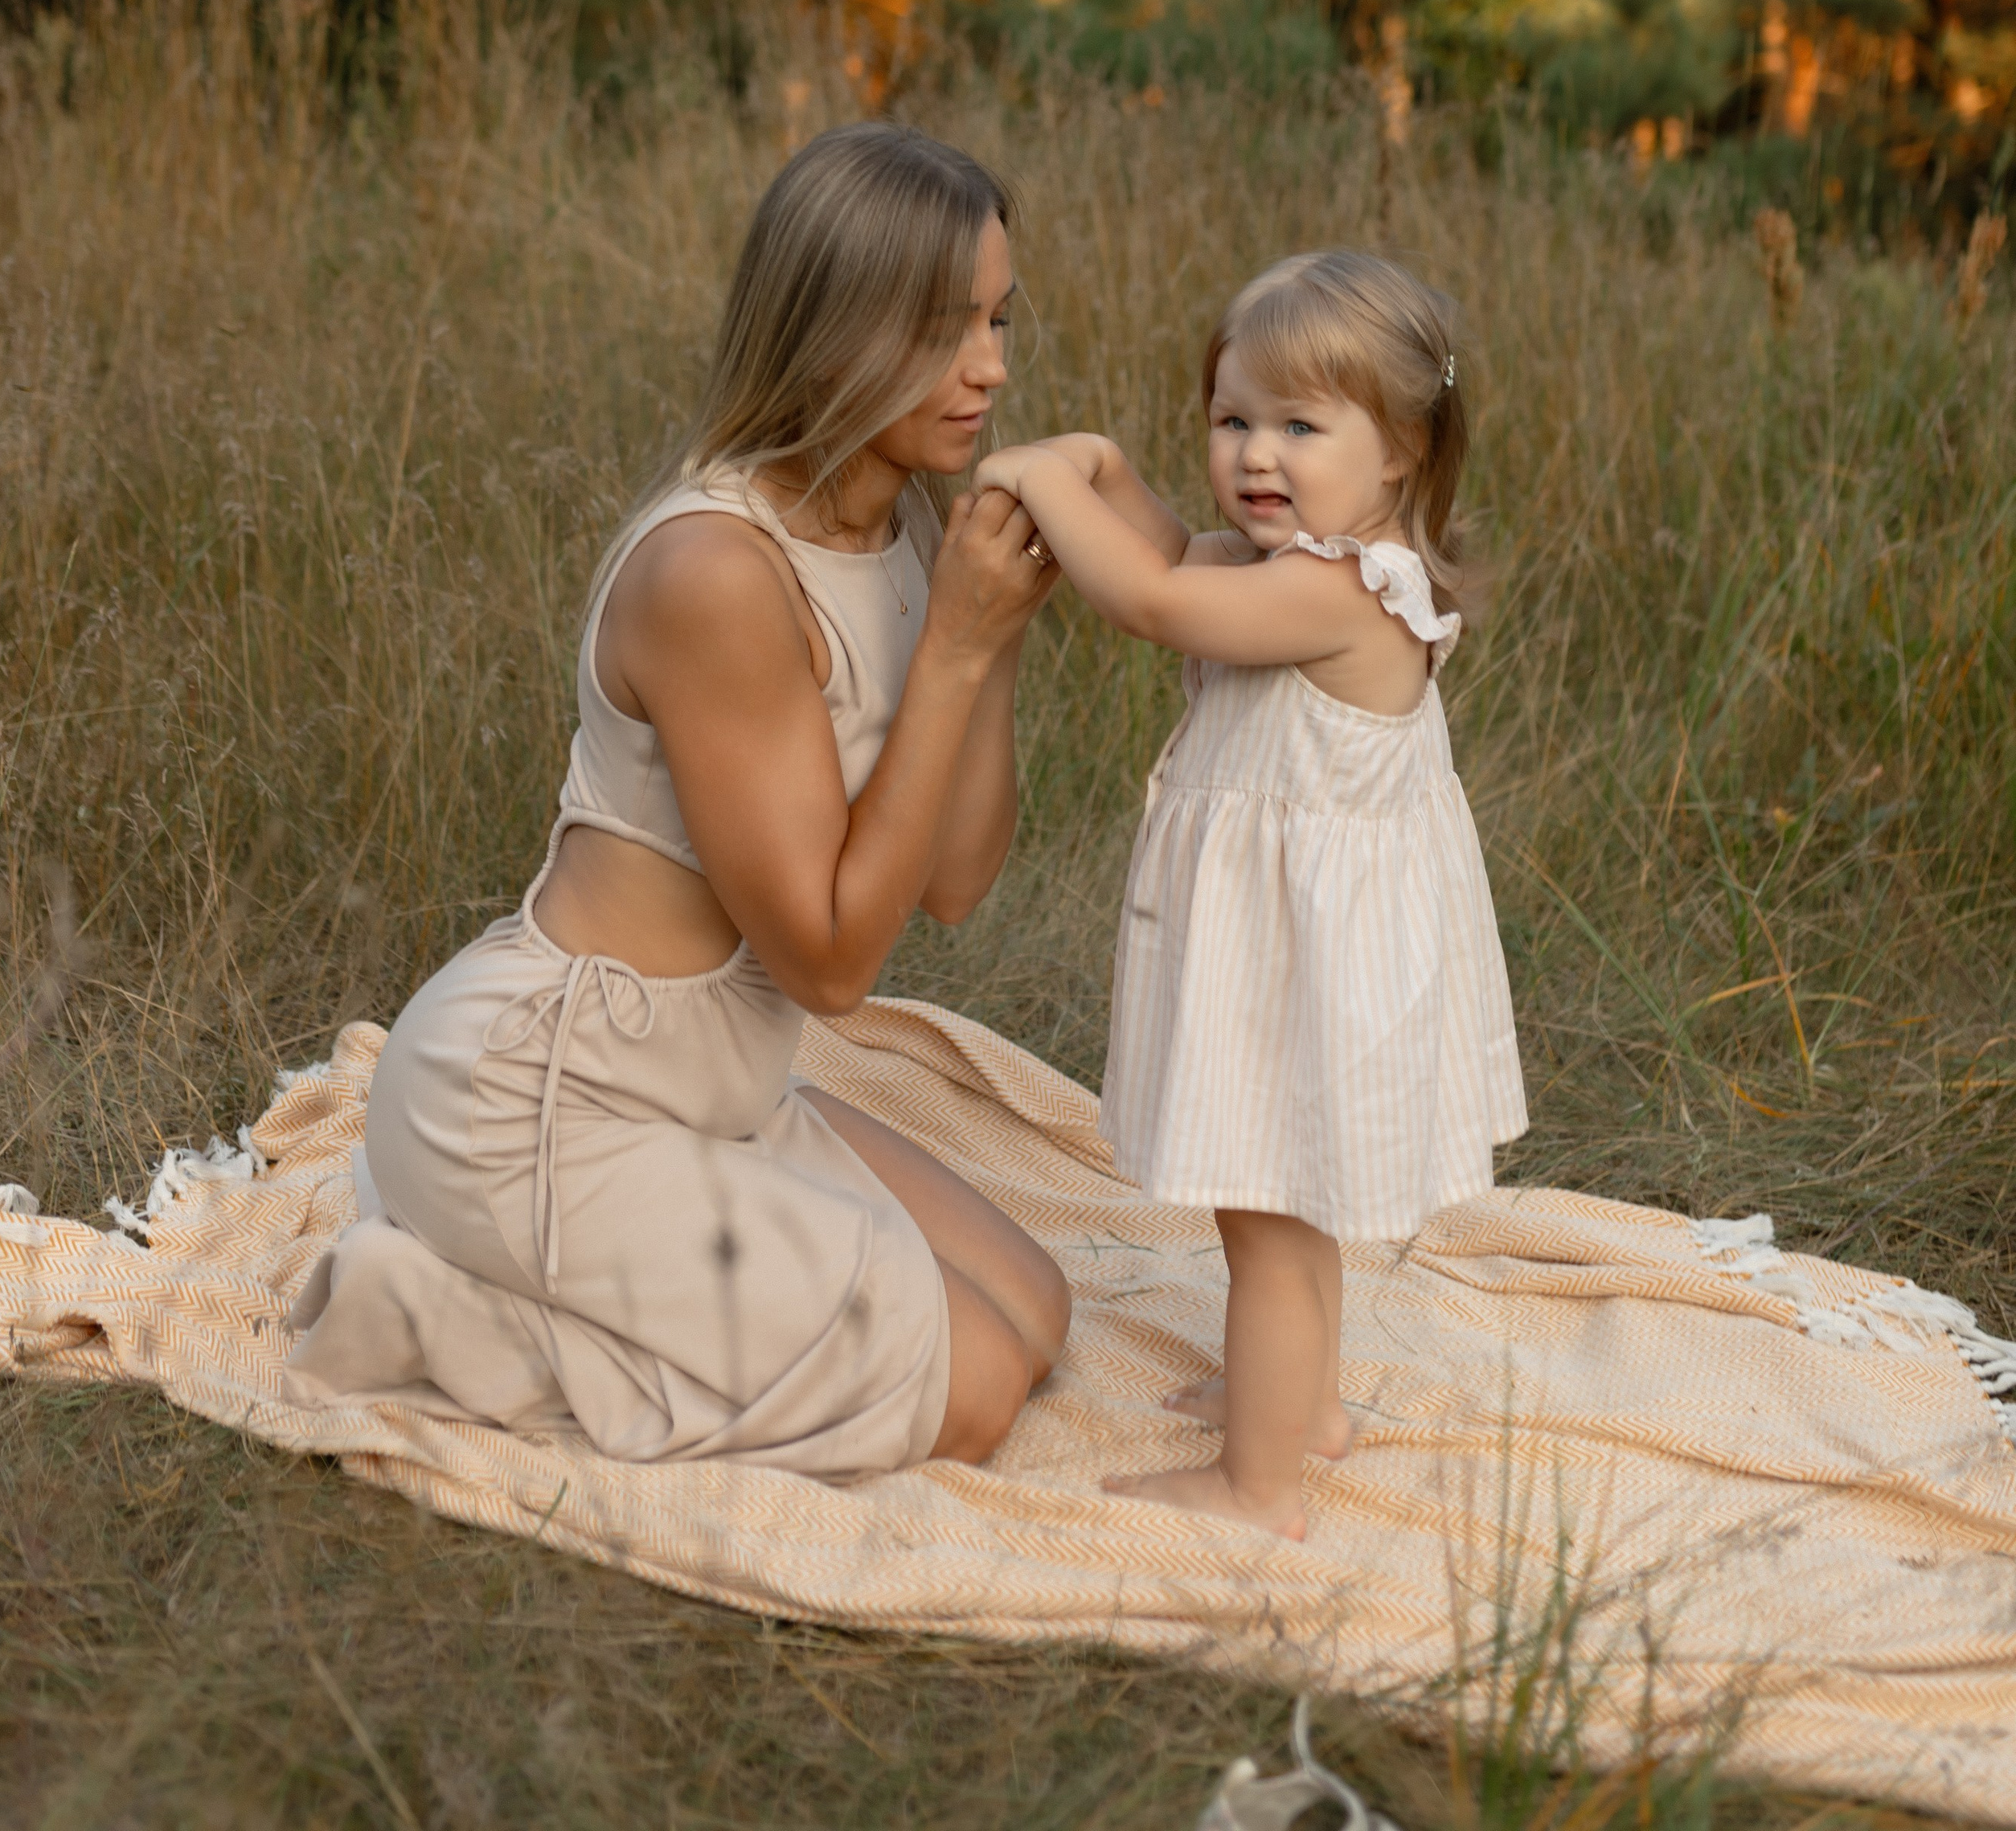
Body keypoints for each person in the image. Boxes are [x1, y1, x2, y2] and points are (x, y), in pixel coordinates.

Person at [287, 124, 1072, 1475]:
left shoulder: (899, 528)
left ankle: (539, 1279)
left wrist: (985, 637)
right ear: (833, 333)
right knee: (980, 1388)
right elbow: (828, 962)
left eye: (1000, 319)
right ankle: (431, 1310)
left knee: (1040, 1307)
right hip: (545, 1095)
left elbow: (951, 880)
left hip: (715, 1093)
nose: (991, 367)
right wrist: (951, 644)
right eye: (946, 329)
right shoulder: (715, 571)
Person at [976, 249, 1525, 1538]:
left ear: (1398, 451)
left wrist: (1048, 483)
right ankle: (1305, 1408)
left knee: (1274, 1217)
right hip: (1310, 952)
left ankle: (1259, 1486)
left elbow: (1163, 599)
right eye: (1232, 421)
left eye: (1297, 424)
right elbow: (1179, 552)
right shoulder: (1314, 563)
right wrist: (1109, 471)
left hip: (1307, 963)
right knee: (1283, 1200)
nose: (1254, 455)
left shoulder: (1336, 590)